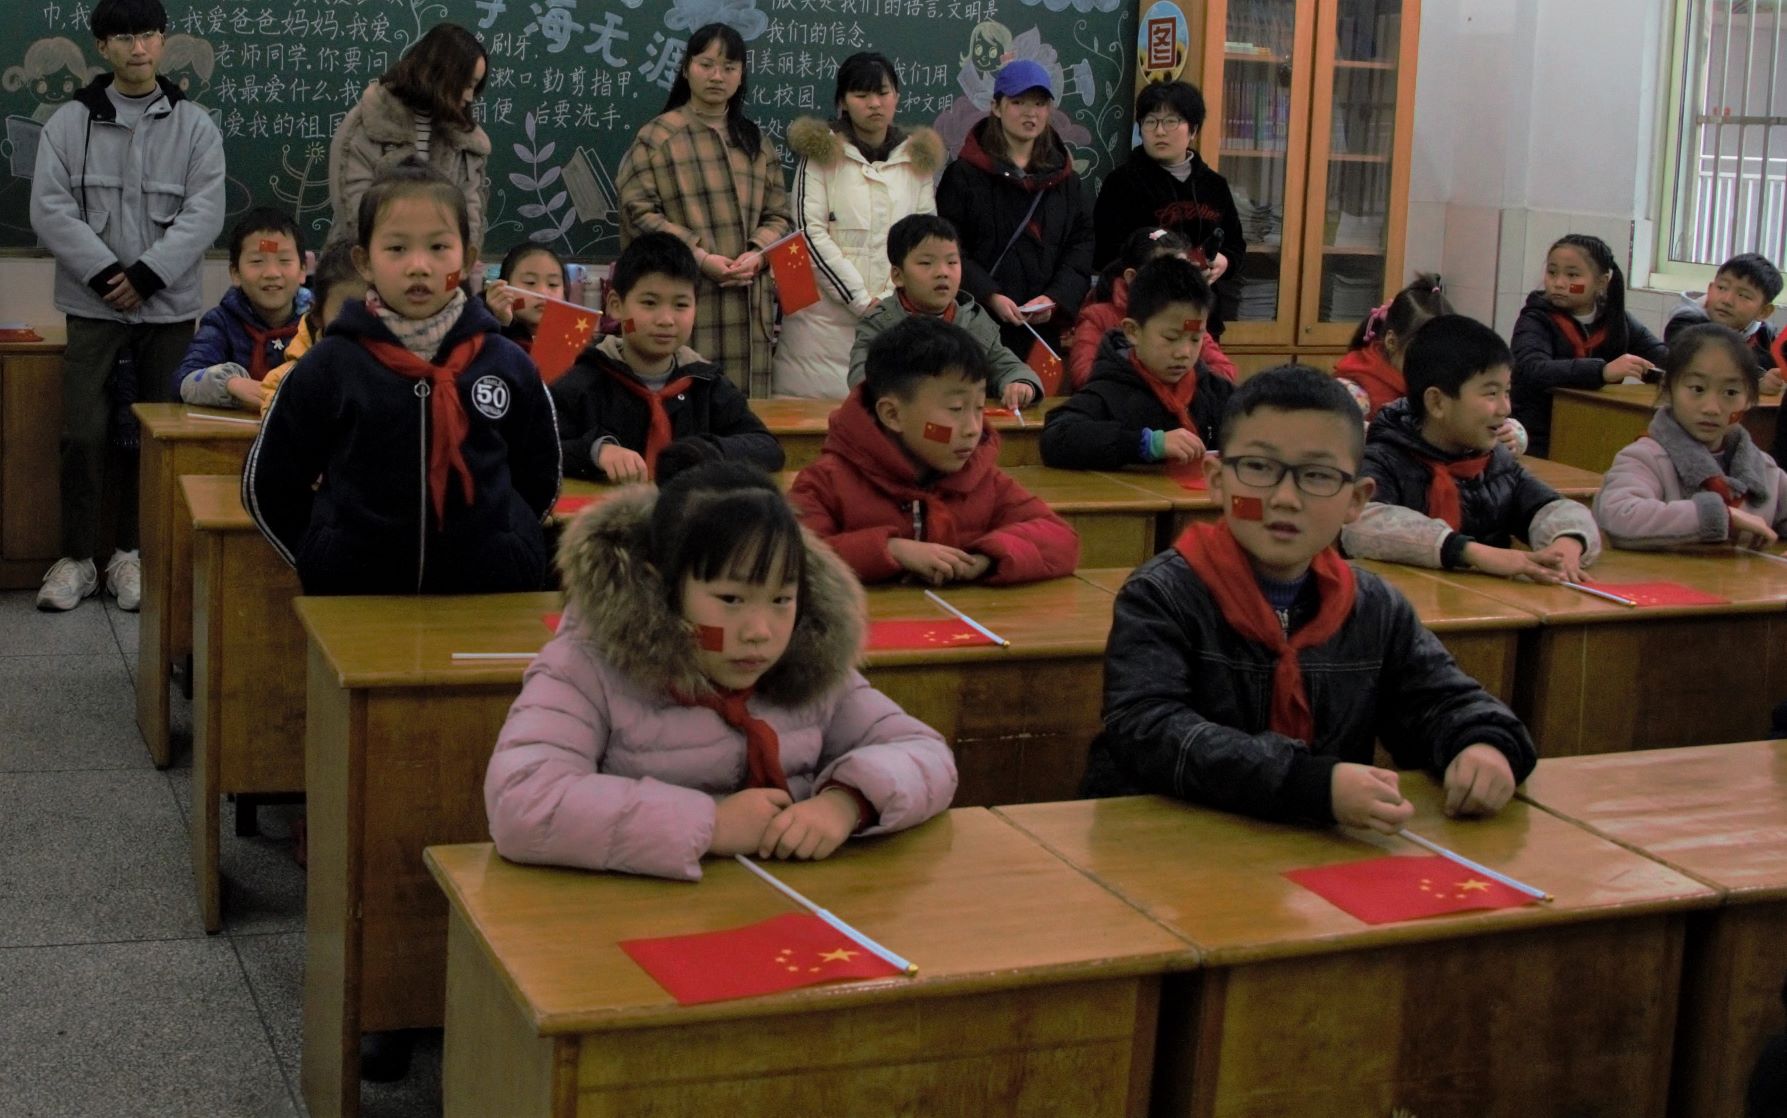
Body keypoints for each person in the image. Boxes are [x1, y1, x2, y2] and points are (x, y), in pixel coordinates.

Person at [1081, 365, 1536, 827]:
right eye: (1258, 467)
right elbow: (1148, 730)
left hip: (1318, 849)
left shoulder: (1373, 607)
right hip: (1172, 839)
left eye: (1317, 476)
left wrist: (1483, 745)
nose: (1285, 498)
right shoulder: (1163, 595)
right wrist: (1306, 783)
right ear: (1217, 480)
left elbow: (1442, 701)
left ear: (1356, 500)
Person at [484, 447, 958, 880]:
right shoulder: (586, 667)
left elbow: (925, 752)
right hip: (641, 921)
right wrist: (711, 824)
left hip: (785, 911)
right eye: (731, 599)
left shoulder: (807, 659)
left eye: (781, 599)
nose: (760, 630)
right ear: (662, 587)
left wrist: (847, 802)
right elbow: (522, 801)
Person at [244, 160, 560, 595]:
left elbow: (539, 476)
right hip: (358, 595)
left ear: (467, 260)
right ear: (364, 262)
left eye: (438, 247)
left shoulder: (507, 363)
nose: (418, 266)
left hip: (487, 594)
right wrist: (323, 556)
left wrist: (508, 542)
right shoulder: (330, 365)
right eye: (396, 248)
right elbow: (272, 482)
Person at [28, 0, 225, 612]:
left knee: (157, 436)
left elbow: (205, 212)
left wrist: (147, 274)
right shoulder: (68, 123)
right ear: (102, 46)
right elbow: (49, 209)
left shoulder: (196, 126)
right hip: (92, 306)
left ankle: (132, 556)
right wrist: (109, 273)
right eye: (122, 37)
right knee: (81, 433)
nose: (137, 48)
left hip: (167, 309)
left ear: (163, 42)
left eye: (147, 35)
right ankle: (77, 560)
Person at [790, 315, 1080, 586]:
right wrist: (891, 550)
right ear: (893, 414)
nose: (973, 428)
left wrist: (986, 558)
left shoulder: (983, 479)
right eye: (956, 408)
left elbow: (1061, 537)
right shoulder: (827, 481)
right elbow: (794, 557)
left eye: (979, 408)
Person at [1341, 315, 1600, 581]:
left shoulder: (1495, 463)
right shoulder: (1384, 458)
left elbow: (1553, 507)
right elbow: (1360, 522)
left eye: (1507, 392)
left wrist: (1566, 544)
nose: (1505, 408)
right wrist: (1472, 553)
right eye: (1491, 393)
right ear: (1437, 402)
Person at [616, 22, 792, 395]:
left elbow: (780, 215)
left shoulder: (756, 142)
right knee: (685, 405)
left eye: (729, 67)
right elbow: (638, 212)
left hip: (750, 305)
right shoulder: (657, 137)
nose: (717, 76)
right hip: (685, 300)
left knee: (745, 413)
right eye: (706, 64)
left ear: (741, 75)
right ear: (686, 69)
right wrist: (698, 256)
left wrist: (758, 254)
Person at [771, 53, 943, 398]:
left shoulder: (916, 161)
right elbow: (809, 235)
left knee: (888, 415)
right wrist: (862, 301)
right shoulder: (820, 156)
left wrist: (893, 302)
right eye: (861, 95)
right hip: (820, 330)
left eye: (883, 93)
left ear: (897, 96)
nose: (874, 104)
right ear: (843, 102)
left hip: (895, 322)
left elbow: (925, 242)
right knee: (818, 421)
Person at [551, 232, 782, 483]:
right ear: (615, 305)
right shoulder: (582, 383)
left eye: (681, 305)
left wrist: (707, 451)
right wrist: (595, 451)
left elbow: (768, 448)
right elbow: (536, 447)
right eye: (650, 303)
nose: (666, 320)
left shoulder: (706, 383)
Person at [935, 59, 1093, 366]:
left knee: (1037, 395)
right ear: (996, 107)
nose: (1030, 113)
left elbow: (1081, 246)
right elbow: (948, 247)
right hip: (976, 326)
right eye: (1018, 102)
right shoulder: (964, 175)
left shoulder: (1066, 181)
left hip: (1041, 331)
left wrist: (1056, 298)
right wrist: (989, 294)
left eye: (1039, 103)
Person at [1594, 322, 1786, 550]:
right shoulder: (1646, 458)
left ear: (1749, 400)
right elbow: (1618, 515)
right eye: (1697, 389)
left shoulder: (1765, 470)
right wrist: (1721, 517)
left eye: (1730, 392)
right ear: (1668, 390)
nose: (1712, 408)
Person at [1040, 255, 1235, 470]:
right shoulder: (1109, 392)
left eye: (1196, 339)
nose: (1184, 353)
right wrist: (1146, 444)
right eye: (1171, 338)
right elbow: (1055, 438)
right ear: (1132, 331)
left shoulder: (1215, 392)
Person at [1091, 80, 1245, 338]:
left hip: (1202, 317)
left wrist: (1224, 262)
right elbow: (1104, 255)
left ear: (1193, 130)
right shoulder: (1122, 183)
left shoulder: (1214, 186)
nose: (1160, 131)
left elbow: (1235, 244)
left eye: (1171, 121)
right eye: (1150, 122)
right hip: (1144, 318)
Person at [847, 214, 1043, 408]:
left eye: (952, 262)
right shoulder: (881, 323)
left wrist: (1020, 383)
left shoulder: (974, 321)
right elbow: (862, 378)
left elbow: (1008, 366)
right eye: (926, 263)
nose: (943, 272)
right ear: (898, 276)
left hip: (963, 423)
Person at [325, 22, 489, 254]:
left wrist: (457, 259)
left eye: (475, 86)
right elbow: (353, 209)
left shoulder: (464, 137)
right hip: (366, 264)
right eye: (466, 84)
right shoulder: (367, 122)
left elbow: (470, 209)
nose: (470, 96)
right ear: (442, 74)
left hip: (441, 267)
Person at [1510, 233, 1668, 458]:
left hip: (1596, 429)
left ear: (1601, 282)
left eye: (1572, 275)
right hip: (1540, 436)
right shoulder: (1535, 319)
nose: (1558, 283)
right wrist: (1602, 371)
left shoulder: (1617, 321)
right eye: (1552, 272)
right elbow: (1530, 368)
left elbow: (1662, 355)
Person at [1069, 226, 1239, 392]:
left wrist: (1181, 389)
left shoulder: (1189, 318)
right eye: (1170, 337)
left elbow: (1223, 371)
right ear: (1132, 277)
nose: (1176, 282)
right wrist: (1152, 389)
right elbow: (1085, 376)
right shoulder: (1097, 318)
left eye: (1182, 272)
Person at [175, 208, 311, 409]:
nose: (272, 273)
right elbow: (185, 380)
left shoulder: (318, 324)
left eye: (284, 261)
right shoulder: (221, 322)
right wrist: (230, 384)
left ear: (302, 271)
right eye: (257, 261)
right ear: (235, 273)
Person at [257, 243, 368, 412]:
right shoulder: (291, 379)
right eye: (346, 311)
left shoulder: (402, 371)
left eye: (376, 308)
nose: (360, 322)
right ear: (318, 315)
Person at [1333, 273, 1450, 421]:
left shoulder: (1438, 392)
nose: (1432, 365)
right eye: (1423, 352)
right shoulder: (1353, 395)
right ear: (1391, 342)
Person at [1663, 251, 1780, 386]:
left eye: (1743, 295)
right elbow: (1709, 361)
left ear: (1764, 312)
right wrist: (1758, 379)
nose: (1727, 300)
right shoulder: (1685, 323)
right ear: (1710, 289)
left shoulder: (1765, 335)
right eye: (1722, 288)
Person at [482, 243, 567, 353]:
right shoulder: (482, 336)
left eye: (553, 284)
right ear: (505, 286)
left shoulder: (573, 342)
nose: (543, 292)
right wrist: (502, 324)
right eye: (530, 282)